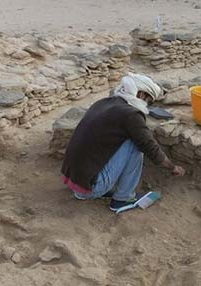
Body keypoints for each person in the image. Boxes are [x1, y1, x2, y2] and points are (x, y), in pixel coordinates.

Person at [61, 73, 186, 212]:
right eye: (148, 101)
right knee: (135, 144)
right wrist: (172, 167)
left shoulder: (104, 102)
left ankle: (88, 190)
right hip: (90, 187)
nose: (146, 105)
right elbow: (149, 147)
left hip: (73, 180)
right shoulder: (130, 115)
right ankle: (123, 198)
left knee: (126, 138)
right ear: (140, 94)